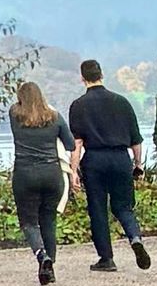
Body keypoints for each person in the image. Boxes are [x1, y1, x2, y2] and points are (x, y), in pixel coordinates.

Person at [64, 59, 151, 274]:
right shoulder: (122, 102)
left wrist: (73, 171)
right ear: (102, 75)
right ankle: (135, 238)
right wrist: (137, 164)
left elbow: (77, 144)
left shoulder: (78, 105)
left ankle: (106, 258)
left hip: (95, 161)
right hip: (121, 158)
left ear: (82, 78)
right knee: (123, 206)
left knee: (98, 209)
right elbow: (136, 141)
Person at [8, 78, 68, 283]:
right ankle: (50, 269)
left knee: (29, 222)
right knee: (49, 220)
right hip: (52, 174)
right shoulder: (55, 117)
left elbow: (20, 108)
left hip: (25, 175)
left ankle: (42, 256)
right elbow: (69, 143)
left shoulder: (14, 115)